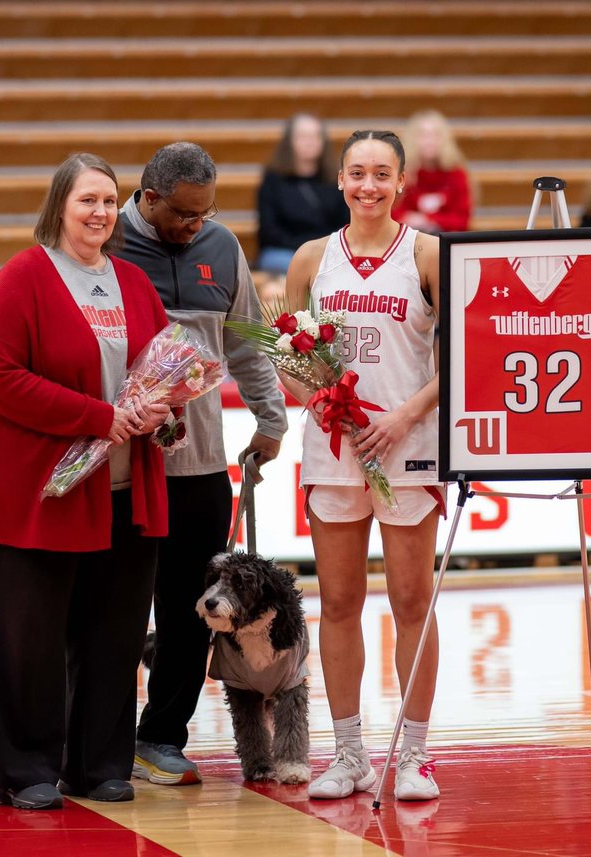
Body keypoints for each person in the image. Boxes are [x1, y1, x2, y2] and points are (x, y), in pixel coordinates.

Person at [0, 153, 173, 810]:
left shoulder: (133, 281)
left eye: (109, 201)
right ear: (59, 206)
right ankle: (26, 768)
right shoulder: (24, 276)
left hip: (122, 490)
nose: (100, 213)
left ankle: (97, 764)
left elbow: (164, 368)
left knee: (114, 633)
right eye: (88, 200)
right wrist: (97, 416)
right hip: (36, 491)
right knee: (30, 637)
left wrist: (164, 409)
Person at [112, 142, 289, 786]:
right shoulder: (108, 242)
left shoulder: (222, 245)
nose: (196, 225)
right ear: (149, 198)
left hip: (203, 464)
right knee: (114, 609)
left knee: (193, 611)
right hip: (123, 465)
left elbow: (247, 343)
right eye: (185, 214)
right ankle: (99, 738)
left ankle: (160, 737)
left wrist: (272, 419)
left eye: (205, 212)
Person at [284, 130, 443, 802]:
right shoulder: (312, 258)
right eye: (357, 172)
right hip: (334, 448)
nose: (368, 185)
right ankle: (349, 753)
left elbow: (464, 357)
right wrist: (319, 399)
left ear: (401, 181)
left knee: (412, 601)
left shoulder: (428, 253)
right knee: (339, 602)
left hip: (408, 445)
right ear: (340, 180)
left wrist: (402, 417)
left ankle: (415, 756)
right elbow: (287, 357)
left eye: (382, 173)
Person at [256, 113, 349, 279]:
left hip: (328, 251)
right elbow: (269, 230)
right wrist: (306, 250)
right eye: (303, 136)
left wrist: (321, 248)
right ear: (290, 141)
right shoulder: (273, 180)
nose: (310, 142)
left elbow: (344, 225)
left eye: (315, 136)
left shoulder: (336, 180)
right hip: (283, 251)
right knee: (300, 267)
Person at [392, 109, 472, 233]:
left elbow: (462, 221)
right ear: (412, 139)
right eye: (423, 135)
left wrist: (426, 219)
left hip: (445, 239)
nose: (429, 141)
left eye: (435, 135)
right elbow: (394, 215)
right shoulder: (403, 174)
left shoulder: (457, 174)